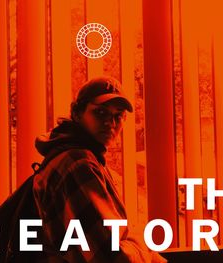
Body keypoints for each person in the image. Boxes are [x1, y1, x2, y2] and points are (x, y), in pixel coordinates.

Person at [33, 76, 166, 262]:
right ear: (77, 113)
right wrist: (139, 243)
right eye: (100, 113)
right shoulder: (78, 164)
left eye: (118, 116)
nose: (110, 123)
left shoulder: (76, 158)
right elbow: (111, 257)